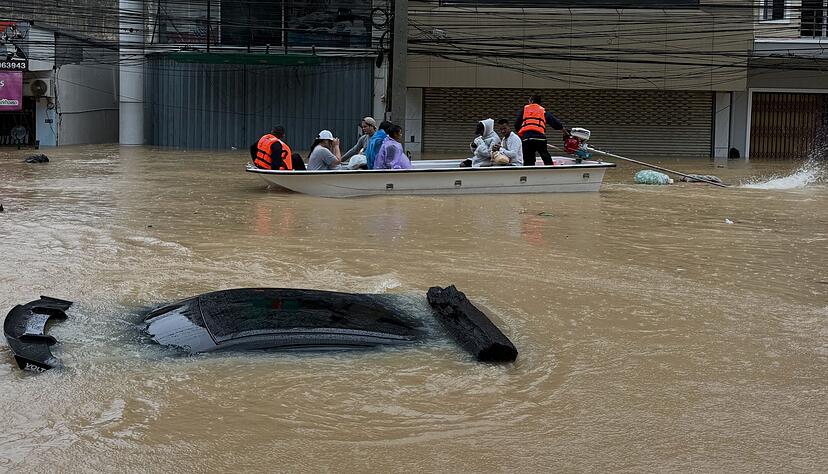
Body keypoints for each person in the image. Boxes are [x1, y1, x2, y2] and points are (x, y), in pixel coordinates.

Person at [514, 95, 566, 166]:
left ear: (531, 101)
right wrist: (562, 128)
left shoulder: (525, 109)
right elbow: (554, 122)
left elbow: (516, 124)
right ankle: (551, 172)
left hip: (527, 138)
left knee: (528, 160)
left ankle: (529, 174)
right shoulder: (543, 111)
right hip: (540, 138)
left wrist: (522, 134)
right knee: (546, 156)